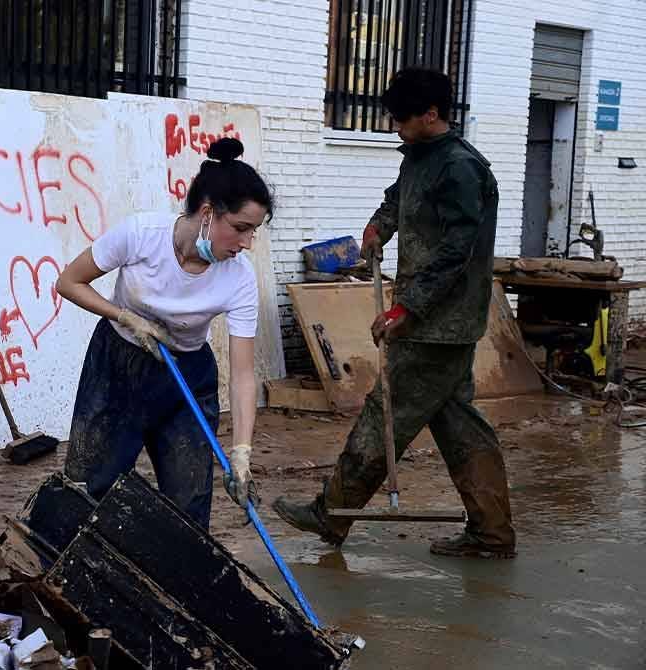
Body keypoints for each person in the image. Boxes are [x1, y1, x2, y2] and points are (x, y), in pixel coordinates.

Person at [273, 68, 517, 558]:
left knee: (383, 412)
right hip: (433, 321)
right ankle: (491, 534)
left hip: (436, 325)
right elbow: (397, 201)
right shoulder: (422, 159)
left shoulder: (461, 169)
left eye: (401, 118)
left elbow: (457, 251)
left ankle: (331, 513)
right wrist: (378, 226)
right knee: (458, 424)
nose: (394, 127)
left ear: (431, 115)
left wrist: (407, 306)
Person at [55, 137, 272, 529]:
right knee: (87, 489)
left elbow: (242, 372)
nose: (246, 243)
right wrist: (125, 317)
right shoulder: (141, 234)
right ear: (208, 213)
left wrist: (242, 452)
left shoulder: (239, 278)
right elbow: (69, 282)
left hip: (186, 378)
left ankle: (181, 585)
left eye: (254, 231)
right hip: (116, 368)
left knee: (189, 503)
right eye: (241, 228)